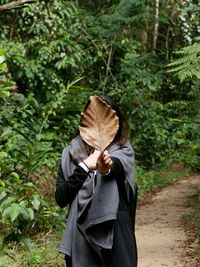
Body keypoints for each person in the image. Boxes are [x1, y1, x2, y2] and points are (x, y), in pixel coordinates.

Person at [55, 95, 138, 267]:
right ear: (85, 120)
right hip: (79, 234)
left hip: (116, 231)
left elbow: (117, 168)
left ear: (115, 121)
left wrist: (105, 167)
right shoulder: (70, 153)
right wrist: (84, 167)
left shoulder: (122, 149)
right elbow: (61, 198)